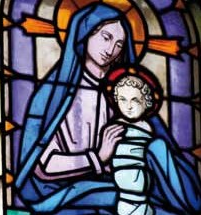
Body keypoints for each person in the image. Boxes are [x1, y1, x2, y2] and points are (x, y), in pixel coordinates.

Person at [15, 2, 201, 214]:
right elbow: (43, 166)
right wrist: (98, 156)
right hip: (70, 195)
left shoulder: (127, 94)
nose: (112, 50)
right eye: (106, 37)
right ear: (85, 34)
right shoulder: (53, 95)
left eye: (120, 44)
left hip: (123, 190)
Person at [104, 67, 164, 215]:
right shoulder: (115, 127)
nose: (128, 106)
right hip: (122, 185)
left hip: (141, 183)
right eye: (123, 100)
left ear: (146, 103)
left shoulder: (146, 128)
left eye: (135, 100)